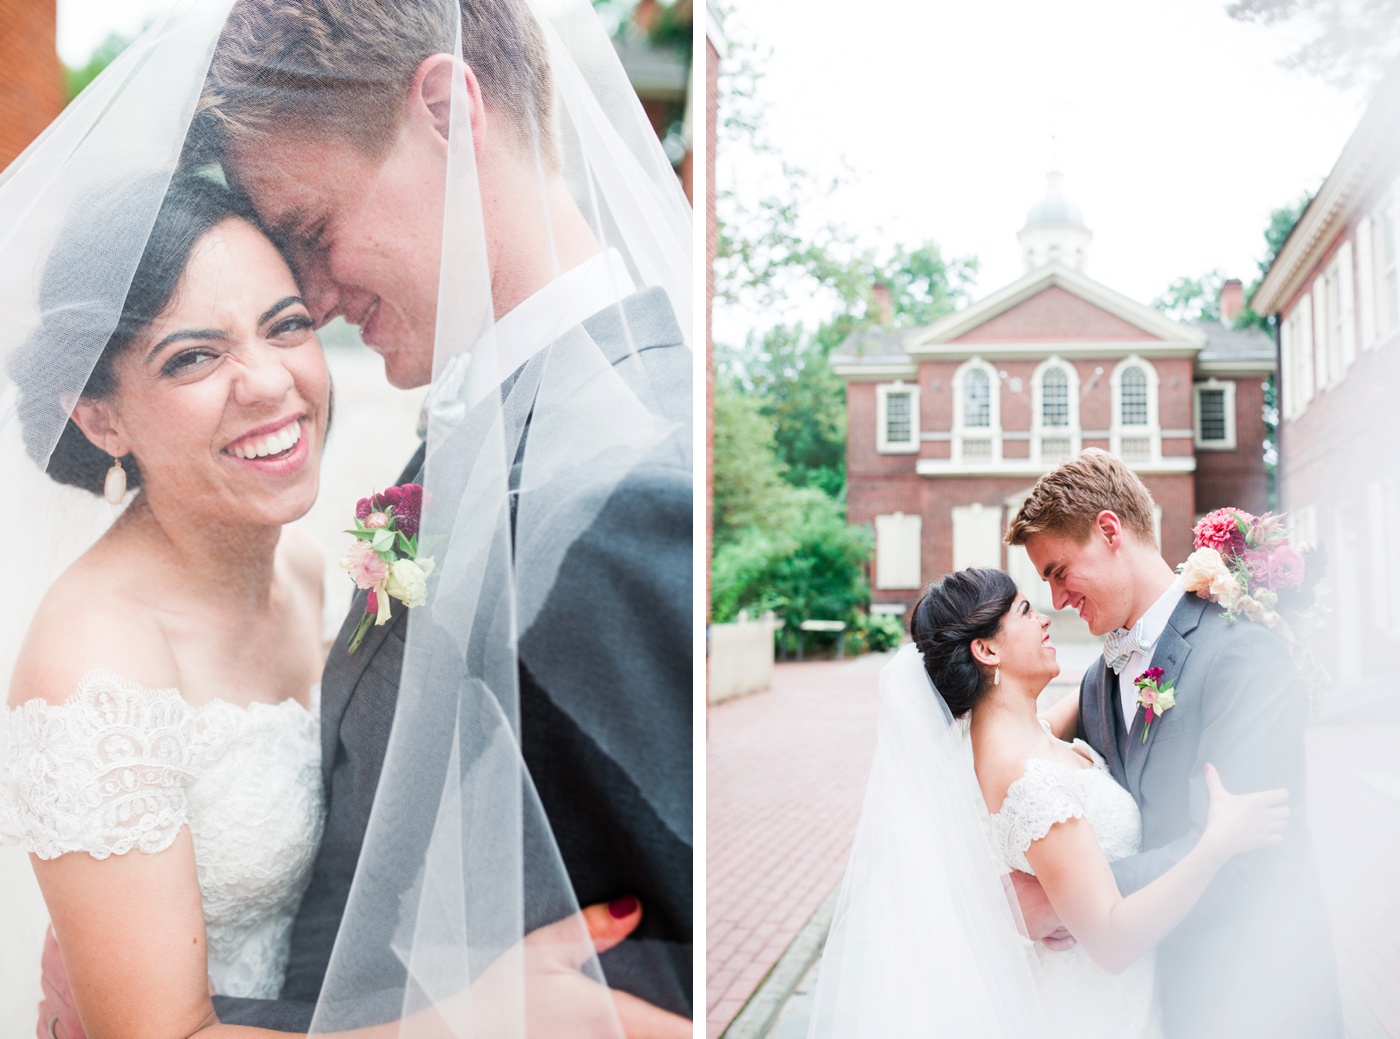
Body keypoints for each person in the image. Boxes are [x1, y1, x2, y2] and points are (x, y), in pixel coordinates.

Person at [0, 173, 663, 1039]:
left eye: (287, 326)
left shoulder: (305, 568)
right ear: (98, 417)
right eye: (194, 356)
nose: (269, 382)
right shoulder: (92, 666)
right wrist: (490, 1022)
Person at [182, 0, 693, 1032]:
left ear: (448, 114)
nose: (312, 297)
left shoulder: (625, 495)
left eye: (313, 231)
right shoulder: (488, 423)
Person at [806, 566, 1292, 1038]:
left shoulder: (1019, 737)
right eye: (1024, 610)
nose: (1043, 618)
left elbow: (1101, 683)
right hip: (1099, 1011)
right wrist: (1215, 844)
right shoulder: (1027, 779)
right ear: (987, 649)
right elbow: (1110, 939)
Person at [1004, 448, 1342, 1038]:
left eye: (1059, 571)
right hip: (1161, 1002)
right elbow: (1018, 746)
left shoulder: (1241, 653)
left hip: (1260, 996)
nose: (1057, 600)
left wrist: (1065, 904)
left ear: (1109, 530)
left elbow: (1244, 853)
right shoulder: (1099, 679)